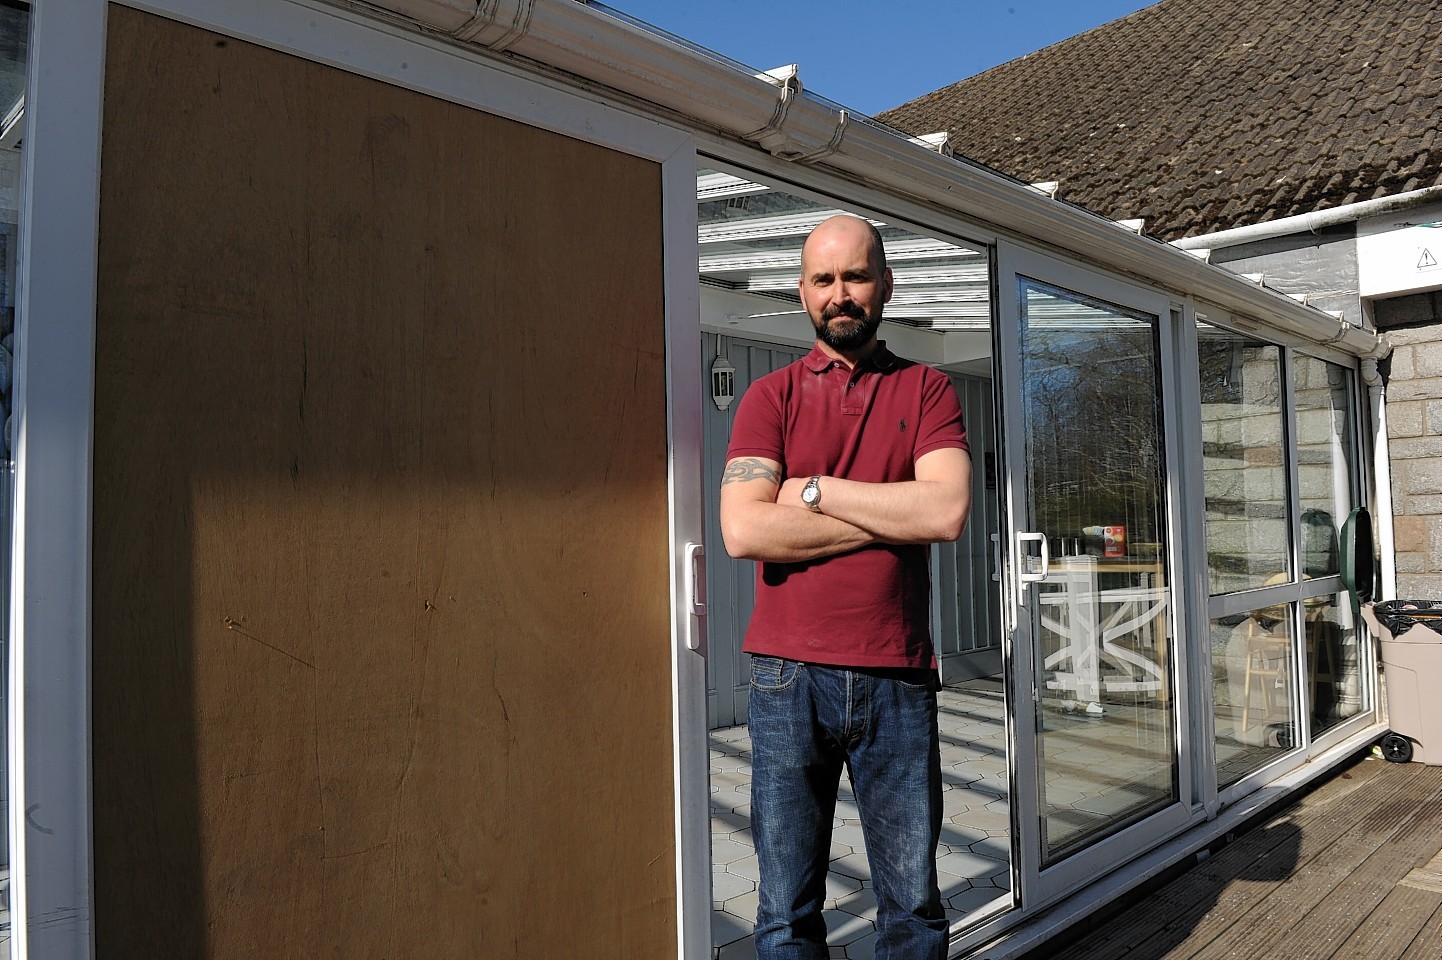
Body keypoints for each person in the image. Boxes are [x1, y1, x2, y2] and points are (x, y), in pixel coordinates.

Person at [719, 214, 972, 960]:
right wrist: (893, 511)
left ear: (885, 284)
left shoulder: (927, 390)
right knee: (784, 911)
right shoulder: (771, 398)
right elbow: (743, 531)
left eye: (856, 276)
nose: (841, 294)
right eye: (824, 280)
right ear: (803, 294)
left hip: (897, 673)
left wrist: (812, 491)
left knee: (912, 907)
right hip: (786, 677)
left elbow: (947, 511)